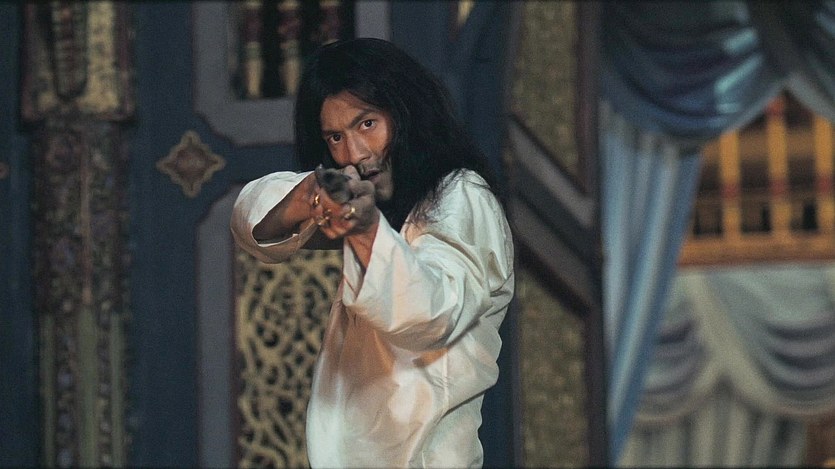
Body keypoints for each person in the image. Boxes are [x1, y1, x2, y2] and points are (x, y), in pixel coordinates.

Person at [230, 37, 514, 468]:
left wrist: (364, 230)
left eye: (367, 124)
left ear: (406, 114)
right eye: (335, 137)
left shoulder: (461, 193)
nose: (355, 154)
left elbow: (430, 313)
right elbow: (252, 221)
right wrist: (314, 194)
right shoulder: (384, 205)